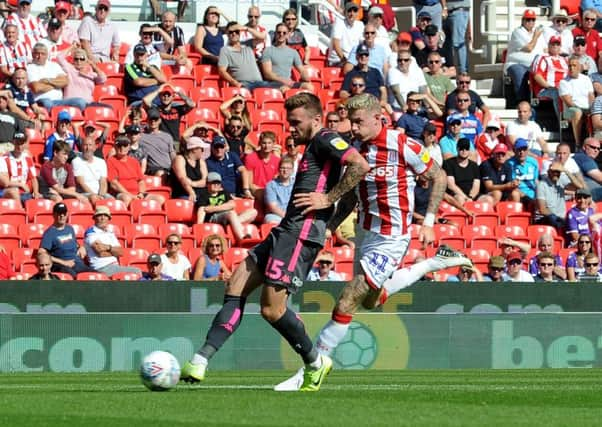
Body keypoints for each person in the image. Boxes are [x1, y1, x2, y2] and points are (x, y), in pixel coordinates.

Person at [273, 93, 472, 392]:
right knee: (370, 300)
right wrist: (331, 224)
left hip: (393, 237)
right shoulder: (356, 151)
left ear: (378, 118)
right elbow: (352, 193)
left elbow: (439, 177)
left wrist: (429, 222)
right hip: (366, 233)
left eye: (358, 122)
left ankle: (314, 367)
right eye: (350, 122)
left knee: (347, 298)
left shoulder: (403, 145)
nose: (353, 128)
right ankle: (434, 262)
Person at [180, 92, 371, 391]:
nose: (291, 129)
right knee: (235, 286)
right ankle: (200, 360)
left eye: (296, 122)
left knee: (272, 309)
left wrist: (328, 199)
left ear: (316, 119)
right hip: (285, 229)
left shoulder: (326, 138)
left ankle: (315, 362)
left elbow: (359, 165)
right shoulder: (312, 146)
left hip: (300, 234)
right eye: (289, 122)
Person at [38, 201, 93, 278]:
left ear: (67, 214)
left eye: (64, 213)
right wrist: (64, 262)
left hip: (78, 264)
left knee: (97, 275)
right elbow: (41, 253)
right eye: (59, 213)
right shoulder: (49, 233)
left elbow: (75, 244)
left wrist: (81, 247)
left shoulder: (70, 228)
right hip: (62, 266)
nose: (62, 216)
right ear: (54, 215)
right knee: (75, 278)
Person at [107, 135, 165, 207]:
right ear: (115, 147)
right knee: (126, 198)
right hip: (122, 193)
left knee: (160, 199)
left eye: (125, 145)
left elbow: (141, 181)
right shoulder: (111, 161)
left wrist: (141, 193)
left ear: (129, 147)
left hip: (137, 193)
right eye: (119, 145)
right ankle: (126, 217)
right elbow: (114, 183)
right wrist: (130, 195)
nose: (122, 148)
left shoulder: (134, 161)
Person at [84, 205, 141, 277]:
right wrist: (114, 252)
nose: (103, 218)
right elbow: (101, 252)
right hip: (102, 267)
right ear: (95, 218)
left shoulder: (110, 233)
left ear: (109, 218)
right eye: (100, 215)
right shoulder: (91, 232)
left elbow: (121, 252)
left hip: (113, 266)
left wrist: (108, 248)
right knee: (136, 271)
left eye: (105, 215)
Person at [27, 42, 87, 112]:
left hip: (59, 101)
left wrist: (47, 81)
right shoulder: (30, 67)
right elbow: (36, 88)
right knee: (48, 103)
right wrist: (57, 85)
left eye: (43, 54)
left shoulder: (54, 65)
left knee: (80, 102)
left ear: (47, 55)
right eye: (37, 53)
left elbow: (65, 81)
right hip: (41, 100)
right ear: (32, 54)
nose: (40, 56)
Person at [196, 171, 257, 238]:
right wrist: (200, 226)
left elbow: (232, 204)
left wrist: (213, 208)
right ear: (207, 184)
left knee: (253, 212)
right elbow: (203, 209)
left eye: (218, 183)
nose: (216, 185)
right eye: (213, 183)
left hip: (227, 216)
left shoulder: (224, 192)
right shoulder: (203, 195)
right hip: (214, 218)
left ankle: (232, 223)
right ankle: (242, 238)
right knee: (231, 213)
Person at [218, 21, 274, 91]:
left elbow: (262, 37)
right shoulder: (225, 50)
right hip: (244, 84)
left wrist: (245, 28)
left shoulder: (248, 44)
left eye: (236, 31)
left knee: (279, 90)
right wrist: (235, 83)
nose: (234, 34)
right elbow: (222, 71)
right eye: (231, 32)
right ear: (227, 34)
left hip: (260, 82)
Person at [504, 9, 546, 102]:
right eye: (528, 19)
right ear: (522, 20)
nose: (530, 22)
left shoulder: (538, 33)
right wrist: (535, 36)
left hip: (535, 64)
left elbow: (545, 49)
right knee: (521, 76)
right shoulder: (518, 32)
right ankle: (522, 103)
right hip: (516, 63)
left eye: (533, 20)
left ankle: (540, 103)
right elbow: (529, 48)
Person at [260, 23, 314, 93]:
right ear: (275, 34)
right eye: (279, 32)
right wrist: (285, 81)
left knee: (309, 87)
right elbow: (268, 74)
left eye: (284, 33)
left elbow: (301, 69)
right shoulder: (268, 50)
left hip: (289, 83)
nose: (281, 34)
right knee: (286, 89)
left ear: (288, 35)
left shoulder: (293, 52)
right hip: (274, 83)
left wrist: (305, 75)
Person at [559, 56, 595, 145]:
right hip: (570, 110)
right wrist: (583, 110)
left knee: (596, 112)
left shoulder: (586, 79)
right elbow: (568, 101)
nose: (571, 68)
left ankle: (594, 142)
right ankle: (578, 144)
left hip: (586, 108)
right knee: (577, 112)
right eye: (570, 66)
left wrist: (592, 108)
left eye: (574, 65)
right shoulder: (563, 82)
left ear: (579, 67)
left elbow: (591, 96)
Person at [531, 36, 569, 121]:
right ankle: (562, 121)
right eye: (553, 44)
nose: (555, 46)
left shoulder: (565, 60)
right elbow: (537, 75)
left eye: (557, 44)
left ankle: (573, 120)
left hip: (564, 88)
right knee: (558, 92)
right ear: (548, 46)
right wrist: (550, 87)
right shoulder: (542, 57)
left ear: (560, 47)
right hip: (546, 89)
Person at [536, 161, 582, 230]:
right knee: (552, 219)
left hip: (560, 219)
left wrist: (566, 171)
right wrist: (557, 218)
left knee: (576, 220)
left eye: (558, 172)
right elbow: (542, 210)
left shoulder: (561, 181)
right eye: (553, 171)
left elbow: (579, 186)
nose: (556, 174)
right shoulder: (542, 185)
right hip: (545, 219)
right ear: (548, 172)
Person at [0, 131, 39, 202]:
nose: (19, 146)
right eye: (17, 143)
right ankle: (20, 211)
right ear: (13, 142)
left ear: (25, 144)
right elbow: (5, 183)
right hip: (7, 191)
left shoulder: (28, 158)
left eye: (22, 143)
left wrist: (36, 192)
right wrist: (21, 184)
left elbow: (33, 179)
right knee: (14, 192)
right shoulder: (4, 159)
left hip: (24, 193)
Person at [71, 137, 109, 206]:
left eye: (90, 145)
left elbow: (103, 182)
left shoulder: (101, 162)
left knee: (112, 201)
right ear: (82, 147)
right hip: (85, 193)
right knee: (94, 198)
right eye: (85, 145)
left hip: (100, 193)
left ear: (94, 148)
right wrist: (94, 195)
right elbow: (81, 183)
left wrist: (101, 195)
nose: (88, 148)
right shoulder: (76, 161)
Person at [139, 107, 176, 177]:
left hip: (169, 169)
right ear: (147, 120)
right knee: (161, 173)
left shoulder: (167, 136)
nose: (153, 122)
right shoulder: (140, 137)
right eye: (151, 119)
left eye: (155, 119)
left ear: (160, 120)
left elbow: (173, 155)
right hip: (154, 169)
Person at [443, 138, 481, 205]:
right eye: (461, 148)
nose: (464, 151)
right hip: (456, 195)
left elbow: (476, 186)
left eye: (466, 149)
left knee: (487, 200)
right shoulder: (448, 163)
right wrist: (466, 197)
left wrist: (470, 197)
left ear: (469, 150)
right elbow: (451, 185)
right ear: (457, 149)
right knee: (460, 199)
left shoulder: (474, 165)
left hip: (471, 196)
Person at [170, 136, 207, 203]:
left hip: (201, 193)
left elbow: (205, 181)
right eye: (201, 149)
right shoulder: (180, 159)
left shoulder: (201, 162)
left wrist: (193, 183)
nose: (203, 151)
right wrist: (191, 192)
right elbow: (182, 178)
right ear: (194, 149)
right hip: (183, 193)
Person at [506, 138, 540, 207]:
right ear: (514, 150)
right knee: (514, 194)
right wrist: (524, 195)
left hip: (532, 194)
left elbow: (536, 181)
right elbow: (510, 185)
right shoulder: (509, 164)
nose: (522, 152)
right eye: (519, 150)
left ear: (527, 150)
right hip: (517, 194)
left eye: (524, 149)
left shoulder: (533, 162)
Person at [244, 131, 280, 195]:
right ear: (260, 143)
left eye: (269, 143)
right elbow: (250, 184)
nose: (266, 146)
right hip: (256, 191)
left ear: (273, 144)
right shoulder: (250, 158)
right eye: (264, 143)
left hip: (271, 192)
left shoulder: (277, 160)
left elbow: (277, 181)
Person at [264, 157, 295, 224]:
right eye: (283, 168)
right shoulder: (271, 185)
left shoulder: (296, 184)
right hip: (275, 215)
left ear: (292, 170)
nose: (285, 171)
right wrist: (287, 217)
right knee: (274, 222)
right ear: (278, 169)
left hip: (293, 215)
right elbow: (273, 207)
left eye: (288, 168)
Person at [443, 0, 470, 73]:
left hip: (458, 10)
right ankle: (449, 68)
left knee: (458, 42)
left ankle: (463, 72)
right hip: (446, 11)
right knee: (446, 43)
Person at [572, 137, 602, 201]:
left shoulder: (578, 157)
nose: (596, 150)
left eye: (598, 149)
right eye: (593, 147)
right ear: (584, 147)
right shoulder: (582, 157)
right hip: (587, 192)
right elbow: (600, 178)